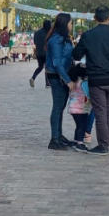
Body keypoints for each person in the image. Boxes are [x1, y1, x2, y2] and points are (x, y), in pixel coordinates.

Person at [71, 6, 109, 156]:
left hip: (97, 78)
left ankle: (103, 145)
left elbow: (76, 54)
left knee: (100, 112)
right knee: (108, 112)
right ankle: (106, 140)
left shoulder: (89, 35)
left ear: (95, 18)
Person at [45, 13, 75, 151]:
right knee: (57, 107)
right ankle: (54, 139)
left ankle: (59, 135)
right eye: (70, 23)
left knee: (61, 107)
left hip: (62, 75)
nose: (71, 25)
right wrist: (67, 80)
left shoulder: (64, 39)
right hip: (57, 77)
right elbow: (57, 63)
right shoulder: (56, 40)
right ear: (65, 24)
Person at [67, 63, 91, 153]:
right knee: (82, 125)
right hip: (81, 107)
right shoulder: (84, 83)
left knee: (78, 125)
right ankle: (80, 143)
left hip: (73, 107)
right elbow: (88, 94)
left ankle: (76, 140)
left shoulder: (74, 81)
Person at [30, 19, 52, 88]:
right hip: (47, 52)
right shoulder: (50, 33)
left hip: (39, 52)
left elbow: (35, 42)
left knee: (40, 67)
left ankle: (33, 77)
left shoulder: (37, 33)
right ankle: (47, 83)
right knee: (47, 67)